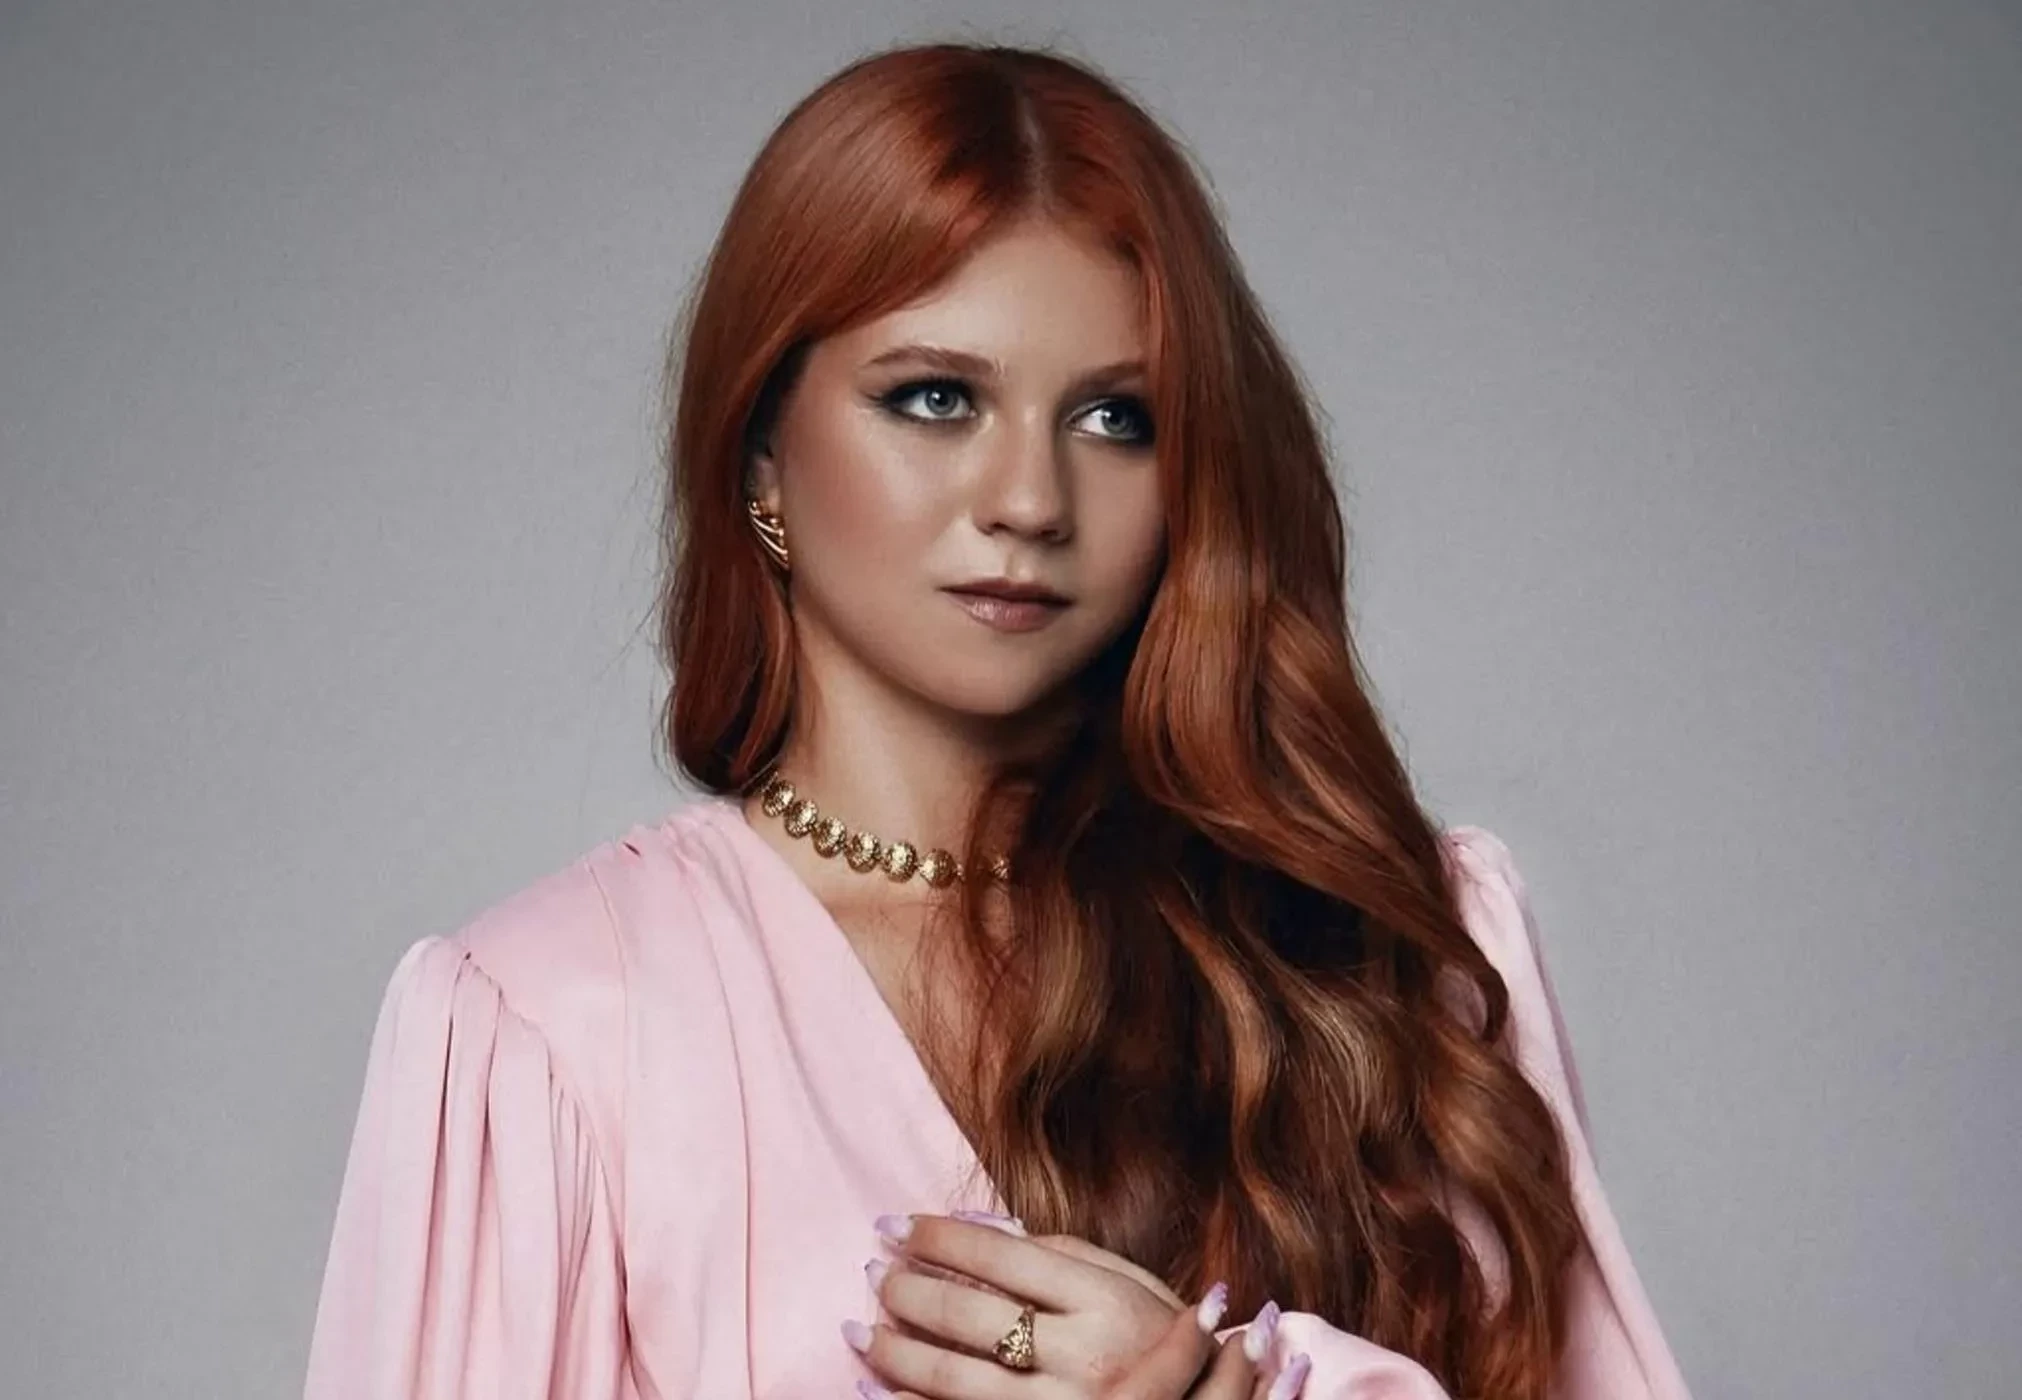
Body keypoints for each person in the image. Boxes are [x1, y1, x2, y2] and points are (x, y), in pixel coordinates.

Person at [302, 39, 1692, 1400]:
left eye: (1116, 421)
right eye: (935, 398)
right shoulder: (554, 1026)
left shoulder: (1387, 952)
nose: (1029, 501)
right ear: (761, 454)